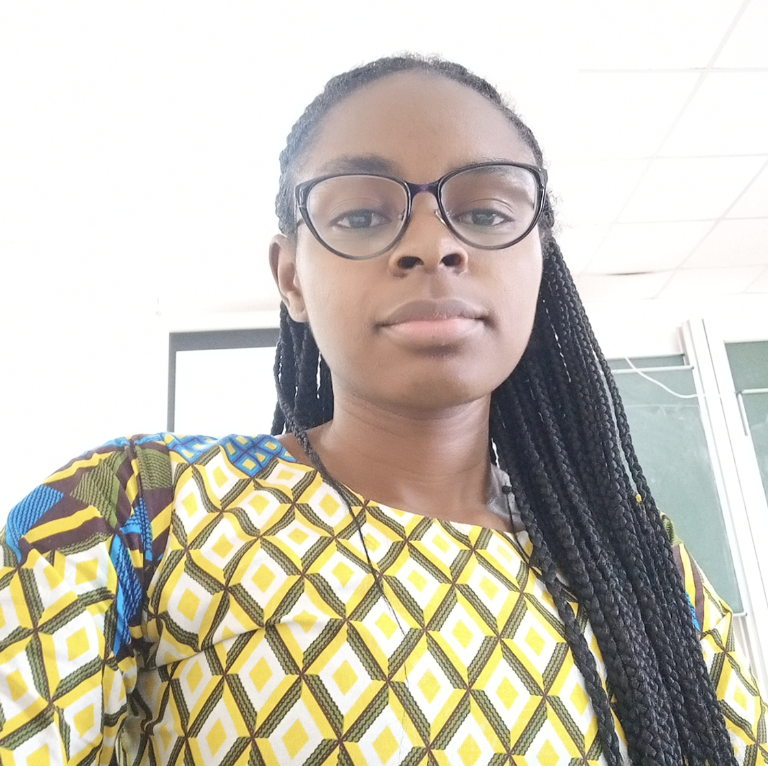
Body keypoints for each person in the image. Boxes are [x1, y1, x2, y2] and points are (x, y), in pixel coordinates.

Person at [0, 55, 765, 766]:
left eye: (487, 213)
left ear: (539, 260)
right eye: (363, 216)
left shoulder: (642, 560)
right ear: (291, 278)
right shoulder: (135, 508)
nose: (433, 246)